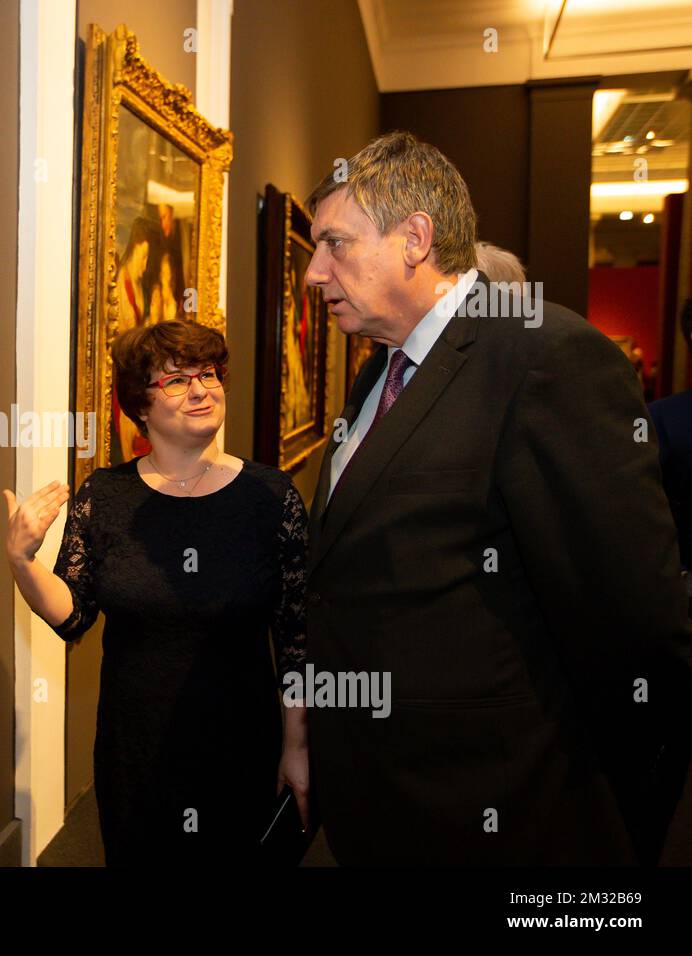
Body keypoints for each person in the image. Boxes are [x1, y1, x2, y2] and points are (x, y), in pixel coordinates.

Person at [302, 130, 692, 865]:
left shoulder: (547, 360)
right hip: (380, 791)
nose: (315, 272)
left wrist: (617, 819)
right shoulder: (380, 369)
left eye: (335, 245)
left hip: (498, 809)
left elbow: (631, 623)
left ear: (415, 238)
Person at [2, 319, 311, 865]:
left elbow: (296, 639)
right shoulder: (106, 496)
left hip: (241, 744)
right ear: (139, 407)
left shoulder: (270, 496)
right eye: (176, 380)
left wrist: (297, 746)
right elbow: (73, 617)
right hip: (136, 749)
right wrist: (21, 560)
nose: (200, 390)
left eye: (210, 374)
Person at [111, 218, 159, 463]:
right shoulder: (120, 287)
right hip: (123, 370)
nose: (145, 265)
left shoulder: (139, 288)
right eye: (143, 258)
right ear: (134, 250)